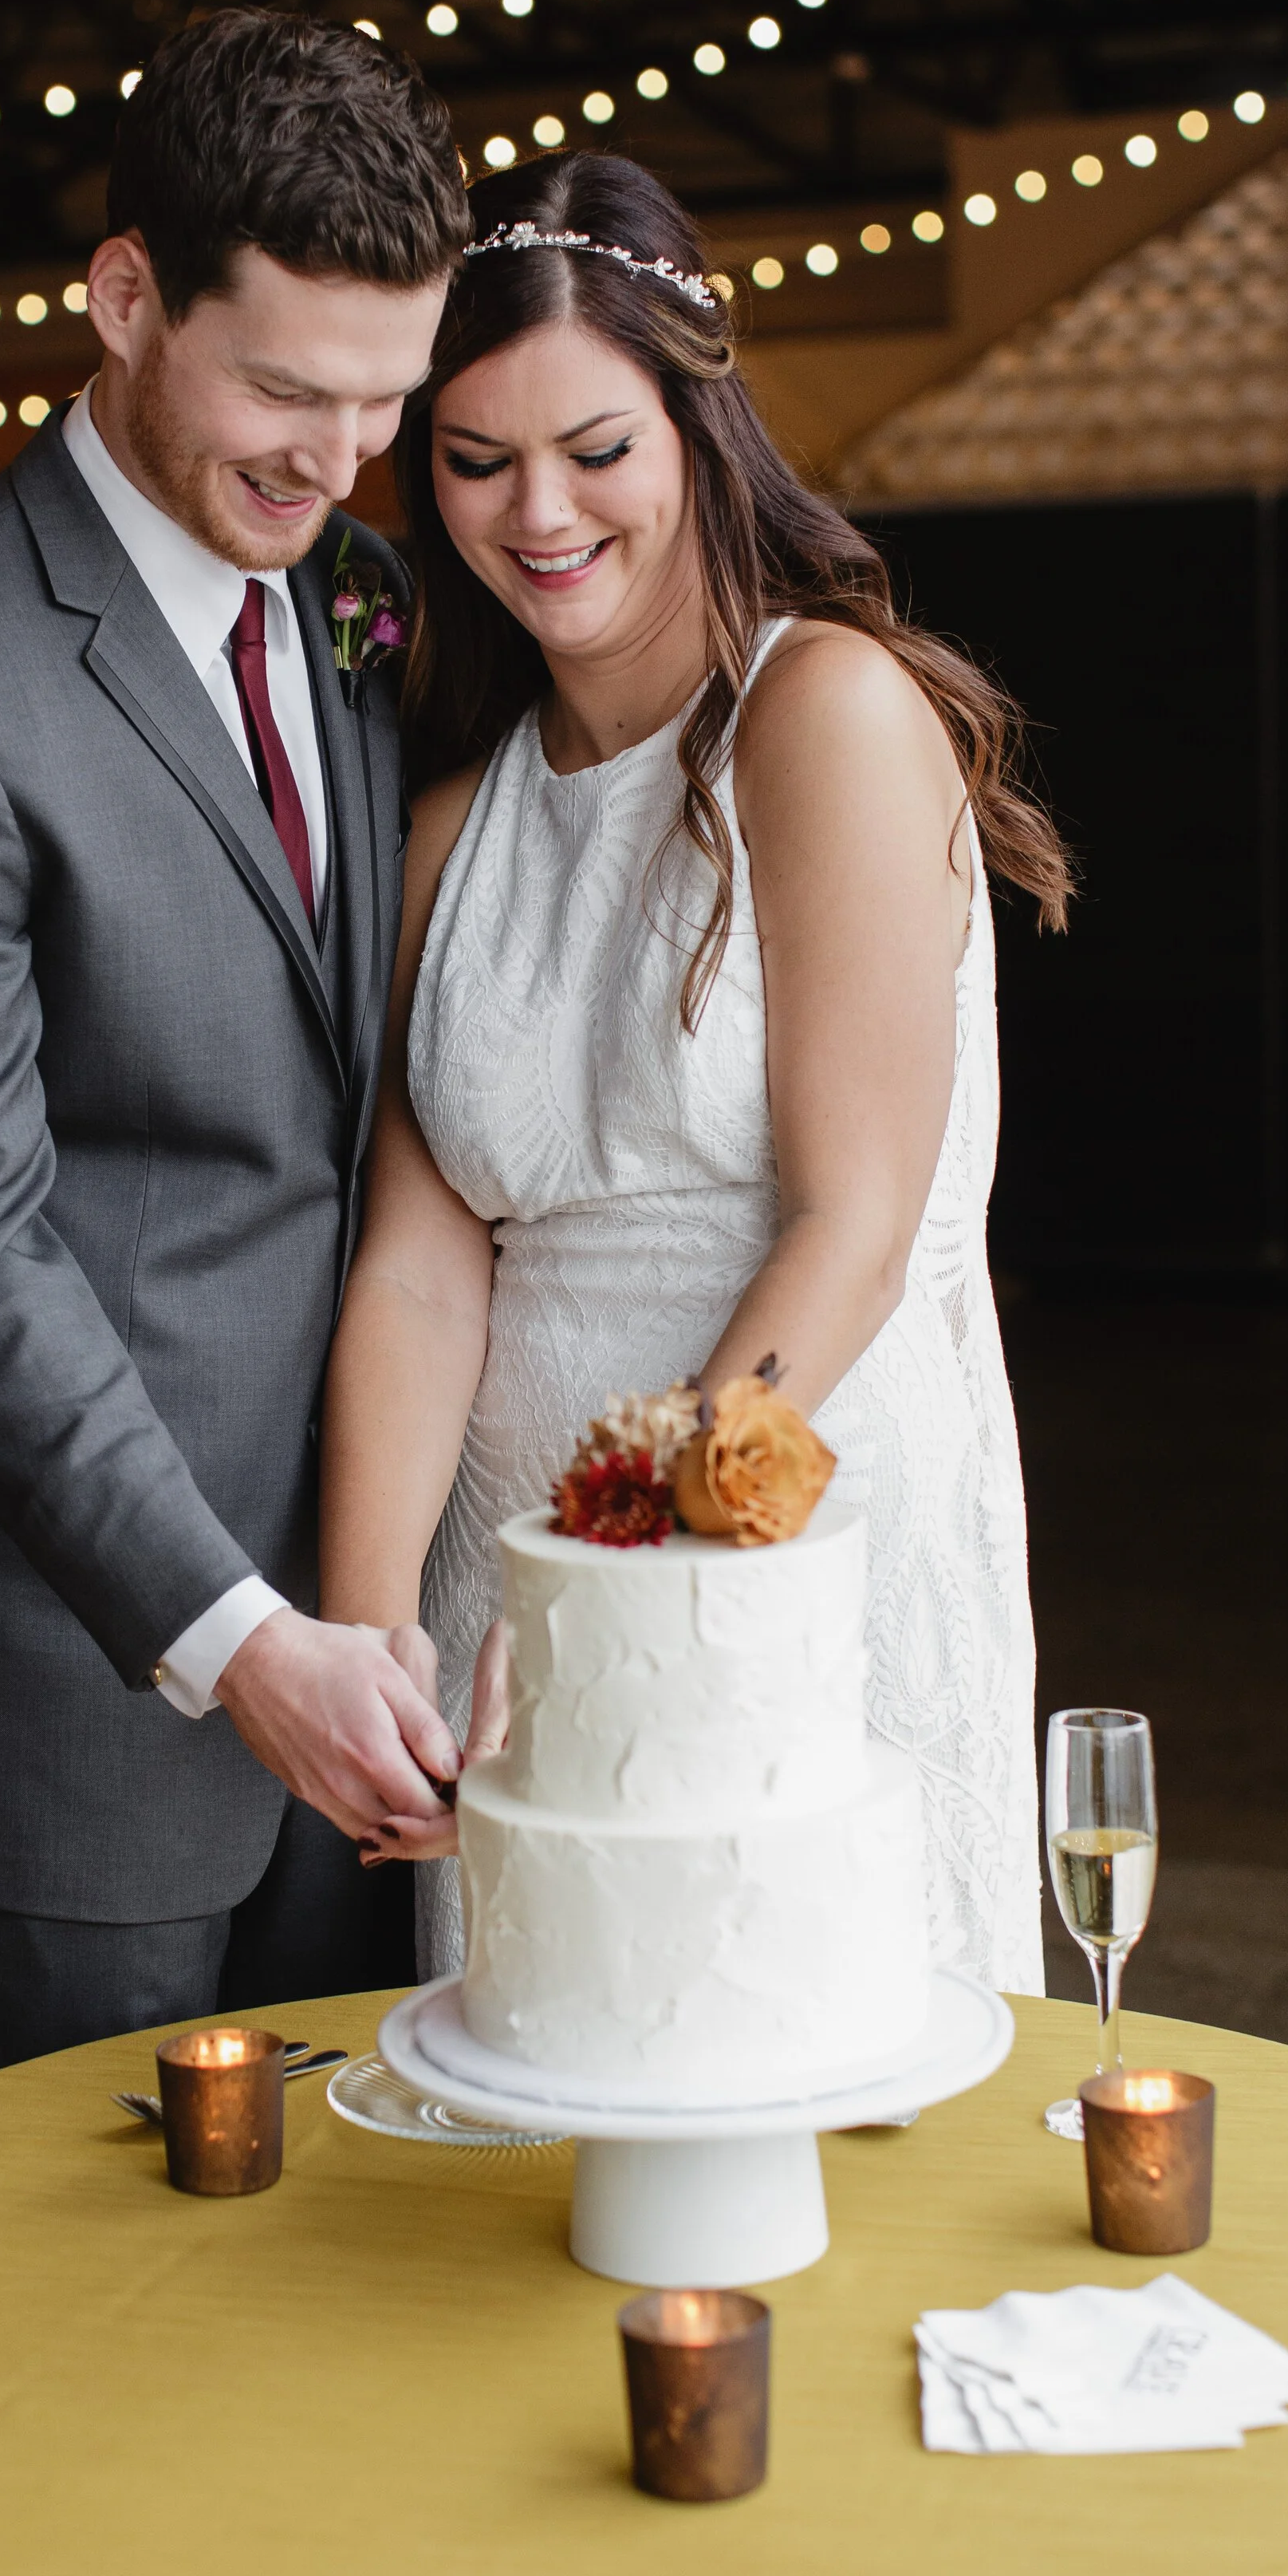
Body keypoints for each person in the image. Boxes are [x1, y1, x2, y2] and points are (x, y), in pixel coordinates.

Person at [0, 10, 467, 2089]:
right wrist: (240, 1644)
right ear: (126, 295)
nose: (334, 458)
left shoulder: (361, 598)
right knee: (85, 2349)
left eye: (381, 400)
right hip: (76, 1680)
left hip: (382, 1646)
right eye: (280, 388)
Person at [317, 152, 1070, 1996]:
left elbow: (857, 1227)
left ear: (695, 427)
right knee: (544, 2140)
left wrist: (614, 1579)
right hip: (517, 1577)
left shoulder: (822, 715)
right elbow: (421, 1273)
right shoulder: (445, 831)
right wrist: (367, 1634)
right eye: (473, 459)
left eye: (594, 448)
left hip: (779, 1536)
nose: (537, 511)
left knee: (808, 2105)